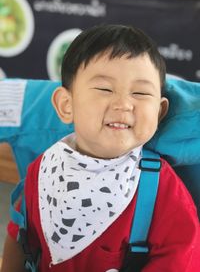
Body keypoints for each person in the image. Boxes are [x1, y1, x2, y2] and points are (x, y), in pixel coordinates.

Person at [1, 24, 200, 272]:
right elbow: (20, 237)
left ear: (159, 112)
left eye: (140, 92)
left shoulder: (163, 191)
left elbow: (182, 261)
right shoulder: (43, 169)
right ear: (66, 105)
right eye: (105, 89)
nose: (124, 104)